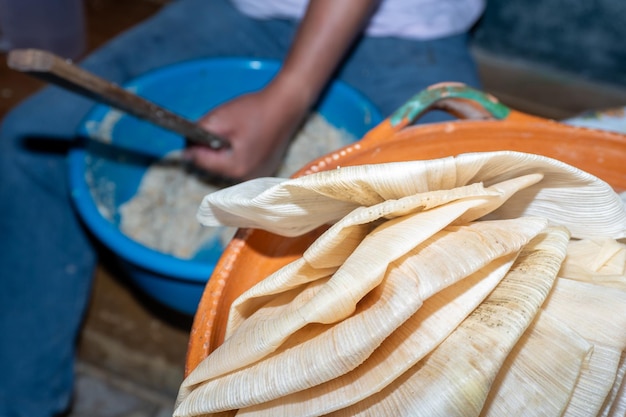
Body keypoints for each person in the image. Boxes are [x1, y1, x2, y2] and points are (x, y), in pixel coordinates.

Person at [0, 0, 484, 415]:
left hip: (404, 29)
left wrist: (290, 95)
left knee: (457, 229)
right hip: (242, 9)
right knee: (25, 149)